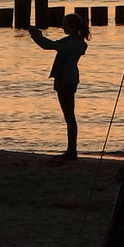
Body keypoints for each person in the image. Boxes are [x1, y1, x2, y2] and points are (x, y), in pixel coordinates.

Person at [26, 12, 89, 160]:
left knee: (70, 117)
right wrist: (36, 36)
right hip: (62, 80)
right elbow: (47, 46)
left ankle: (72, 151)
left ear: (72, 26)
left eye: (65, 24)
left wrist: (38, 36)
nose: (63, 26)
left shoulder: (79, 44)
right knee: (68, 117)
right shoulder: (67, 40)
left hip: (68, 81)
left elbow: (54, 46)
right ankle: (70, 150)